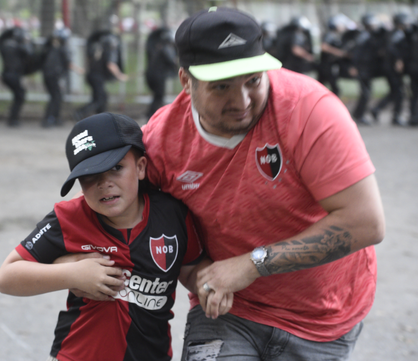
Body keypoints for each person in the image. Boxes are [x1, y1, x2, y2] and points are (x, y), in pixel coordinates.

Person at [139, 7, 384, 360]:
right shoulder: (161, 142)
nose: (242, 102)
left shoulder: (310, 110)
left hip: (321, 319)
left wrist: (252, 264)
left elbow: (365, 222)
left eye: (253, 80)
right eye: (221, 87)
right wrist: (199, 277)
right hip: (228, 313)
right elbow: (156, 228)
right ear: (185, 81)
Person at [0, 112, 232, 361]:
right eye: (89, 175)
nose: (104, 183)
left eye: (116, 168)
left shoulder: (172, 214)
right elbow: (7, 277)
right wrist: (73, 274)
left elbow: (190, 269)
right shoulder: (68, 218)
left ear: (140, 167)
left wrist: (211, 286)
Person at [73, 30, 128, 121]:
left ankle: (101, 117)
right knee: (100, 98)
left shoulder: (97, 48)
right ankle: (80, 113)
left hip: (92, 76)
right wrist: (120, 75)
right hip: (97, 77)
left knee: (100, 97)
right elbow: (111, 64)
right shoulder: (107, 50)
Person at [369, 13, 412, 126]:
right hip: (392, 68)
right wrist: (398, 60)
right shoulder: (396, 34)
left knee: (394, 92)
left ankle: (377, 109)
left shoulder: (393, 33)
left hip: (390, 67)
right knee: (398, 92)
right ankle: (396, 116)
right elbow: (391, 48)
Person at [40, 27, 83, 128]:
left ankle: (55, 118)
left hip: (48, 75)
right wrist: (79, 70)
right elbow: (69, 63)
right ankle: (49, 118)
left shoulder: (51, 48)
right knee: (56, 97)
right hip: (54, 76)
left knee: (56, 97)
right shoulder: (62, 49)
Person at [349, 13, 386, 125]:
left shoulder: (370, 35)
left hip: (367, 68)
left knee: (367, 92)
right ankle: (358, 115)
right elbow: (356, 53)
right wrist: (354, 66)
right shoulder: (363, 36)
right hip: (362, 68)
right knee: (365, 93)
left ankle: (357, 114)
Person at [0, 27, 33, 127]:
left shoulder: (6, 46)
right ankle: (13, 119)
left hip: (6, 75)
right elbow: (30, 53)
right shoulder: (19, 48)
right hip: (12, 75)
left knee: (19, 95)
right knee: (20, 95)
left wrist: (10, 30)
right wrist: (27, 41)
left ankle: (13, 118)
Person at [144, 27, 179, 120]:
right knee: (159, 96)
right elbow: (172, 60)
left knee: (157, 95)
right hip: (158, 76)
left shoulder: (158, 47)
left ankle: (151, 114)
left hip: (151, 74)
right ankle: (152, 115)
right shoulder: (166, 47)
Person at [317, 14, 352, 97]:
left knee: (319, 88)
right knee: (335, 90)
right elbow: (324, 47)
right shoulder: (330, 35)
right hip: (326, 66)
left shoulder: (335, 35)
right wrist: (339, 53)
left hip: (328, 66)